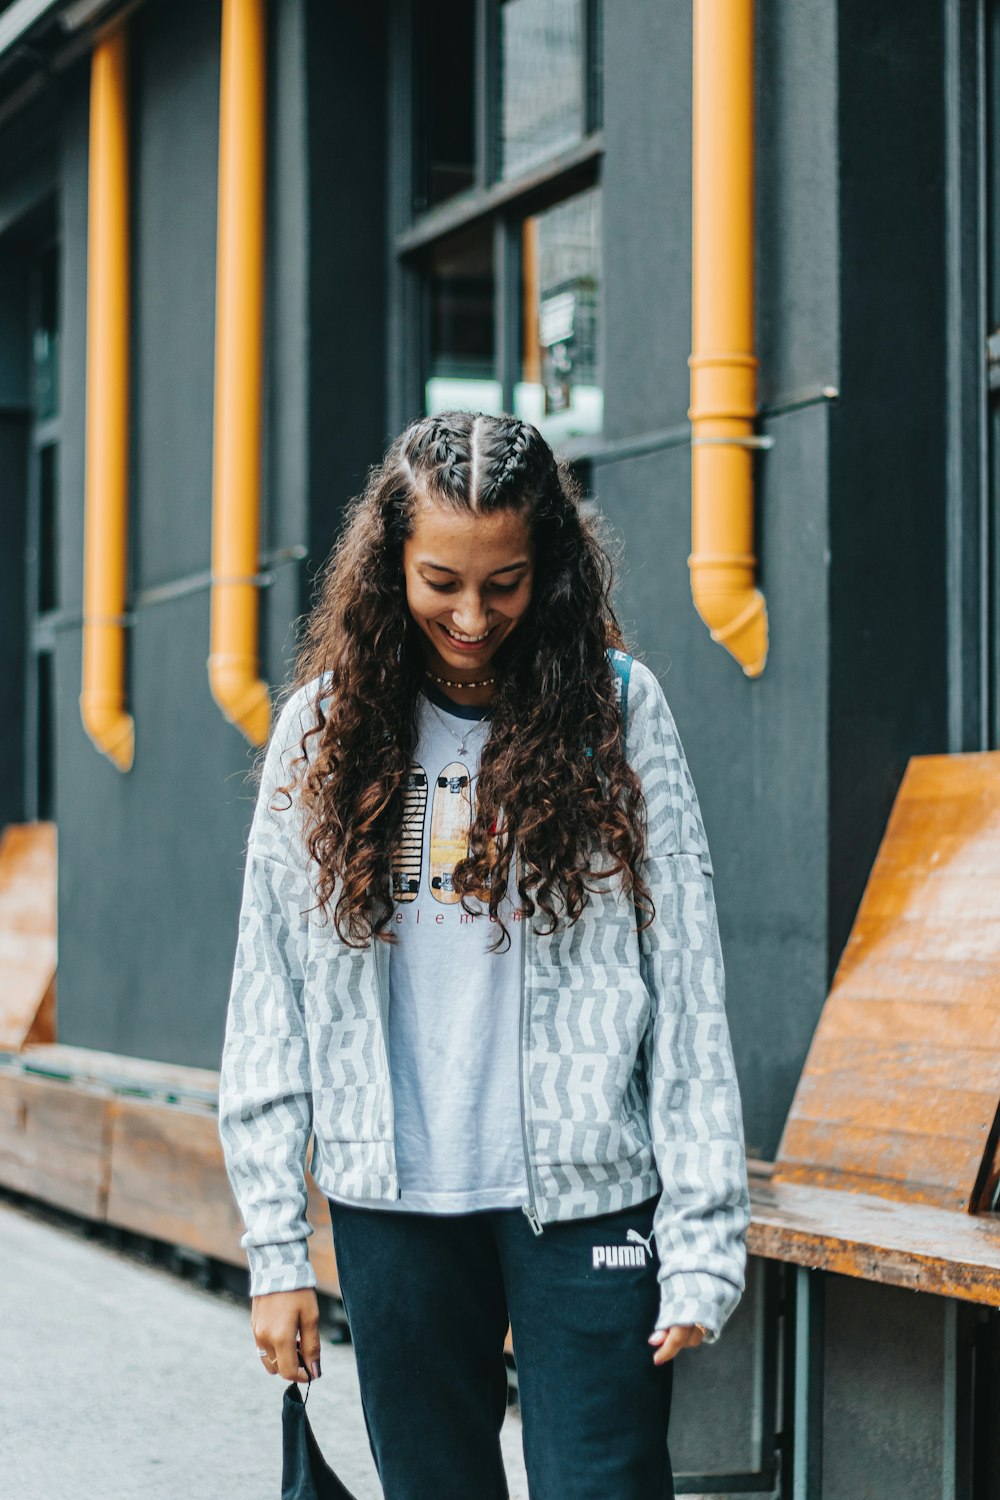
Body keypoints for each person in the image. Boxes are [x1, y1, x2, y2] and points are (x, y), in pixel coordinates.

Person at [217, 410, 751, 1500]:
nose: (471, 615)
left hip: (590, 1191)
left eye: (503, 583)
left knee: (601, 1485)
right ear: (389, 568)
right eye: (439, 581)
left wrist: (702, 1238)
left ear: (545, 566)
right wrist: (276, 1255)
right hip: (393, 1199)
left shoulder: (617, 711)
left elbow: (688, 976)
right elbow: (266, 995)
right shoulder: (321, 732)